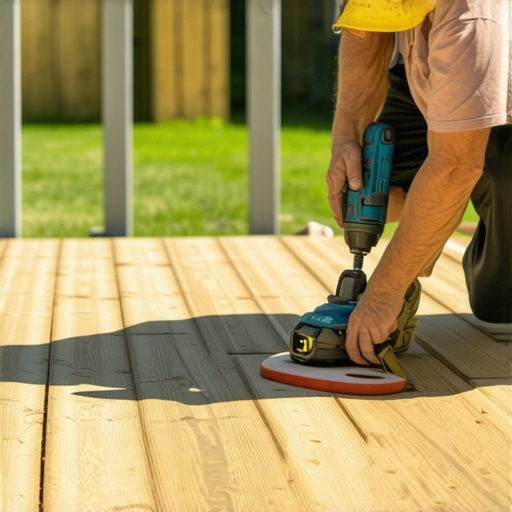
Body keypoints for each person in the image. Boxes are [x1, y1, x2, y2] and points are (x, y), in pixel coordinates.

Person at [326, 1, 512, 366]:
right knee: (367, 177)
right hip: (443, 69)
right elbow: (366, 32)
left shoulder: (472, 18)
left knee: (499, 305)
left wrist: (385, 291)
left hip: (498, 90)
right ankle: (438, 215)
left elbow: (456, 166)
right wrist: (345, 136)